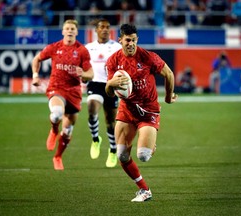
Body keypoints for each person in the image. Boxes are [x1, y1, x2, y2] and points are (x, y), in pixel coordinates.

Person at [105, 24, 178, 202]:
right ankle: (144, 190)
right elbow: (108, 91)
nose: (131, 43)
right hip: (127, 110)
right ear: (120, 40)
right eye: (128, 40)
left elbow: (168, 74)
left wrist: (168, 97)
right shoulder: (113, 61)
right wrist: (110, 85)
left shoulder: (147, 57)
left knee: (143, 156)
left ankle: (150, 144)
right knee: (122, 155)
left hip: (148, 110)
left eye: (134, 40)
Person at [31, 19, 94, 171]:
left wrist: (83, 74)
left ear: (77, 32)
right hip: (56, 88)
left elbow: (90, 74)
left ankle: (58, 157)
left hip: (73, 92)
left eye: (73, 28)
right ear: (63, 31)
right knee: (57, 113)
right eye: (67, 28)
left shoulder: (82, 50)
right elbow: (37, 58)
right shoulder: (54, 47)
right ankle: (53, 130)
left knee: (68, 130)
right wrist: (35, 76)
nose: (70, 30)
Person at [85, 19, 122, 168]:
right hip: (94, 83)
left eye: (108, 27)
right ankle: (95, 139)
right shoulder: (88, 48)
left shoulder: (117, 47)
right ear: (96, 30)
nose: (105, 29)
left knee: (110, 122)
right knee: (92, 109)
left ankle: (113, 150)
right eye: (102, 27)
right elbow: (84, 66)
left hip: (111, 85)